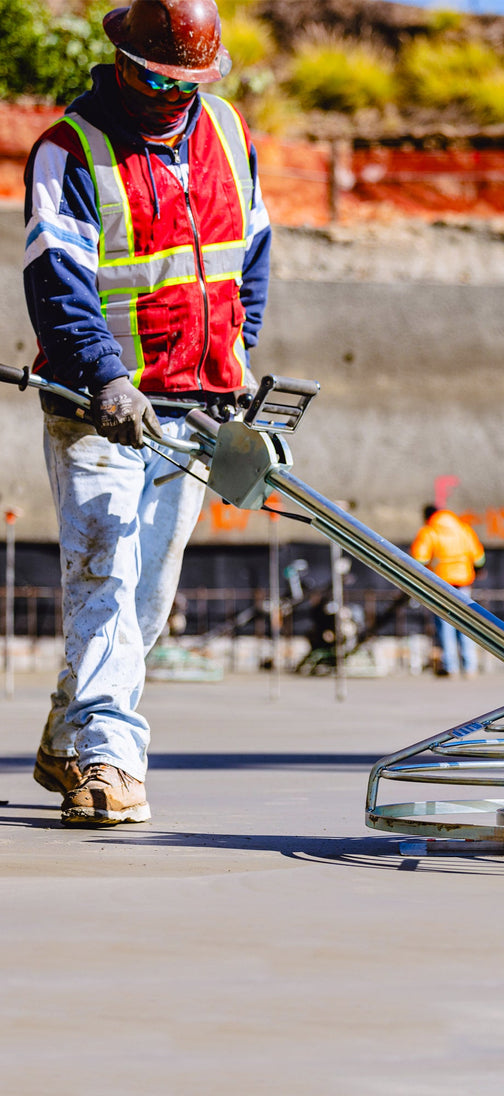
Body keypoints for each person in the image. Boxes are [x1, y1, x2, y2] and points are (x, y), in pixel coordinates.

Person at [23, 0, 271, 825]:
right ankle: (111, 763)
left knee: (145, 602)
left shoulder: (228, 133)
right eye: (158, 80)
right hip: (99, 412)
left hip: (194, 411)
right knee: (104, 576)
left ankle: (69, 735)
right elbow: (57, 281)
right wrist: (105, 379)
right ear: (124, 61)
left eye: (187, 83)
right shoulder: (71, 149)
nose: (173, 96)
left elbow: (252, 252)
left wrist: (236, 350)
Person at [409, 504, 486, 676]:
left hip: (441, 583)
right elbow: (479, 557)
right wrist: (477, 570)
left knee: (445, 623)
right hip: (463, 581)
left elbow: (419, 559)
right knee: (466, 622)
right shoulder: (463, 529)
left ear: (427, 516)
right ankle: (470, 666)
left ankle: (450, 666)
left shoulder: (429, 531)